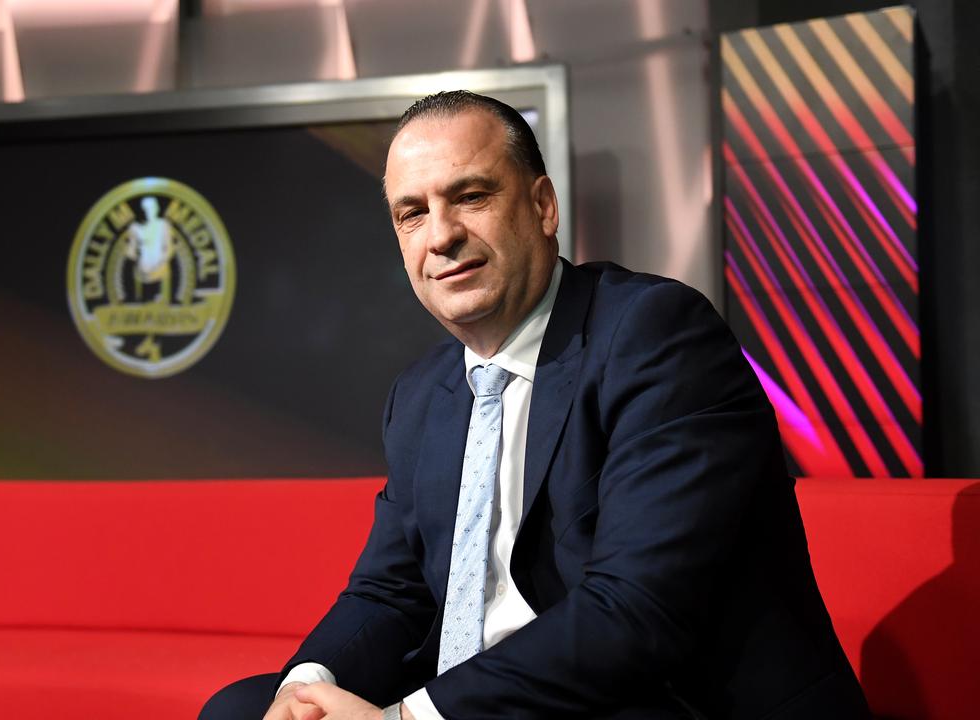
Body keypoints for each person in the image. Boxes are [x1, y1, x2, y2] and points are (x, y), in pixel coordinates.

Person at [201, 91, 870, 719]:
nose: (441, 236)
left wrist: (413, 715)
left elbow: (636, 612)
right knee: (242, 708)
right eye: (413, 213)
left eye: (470, 197)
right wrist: (307, 689)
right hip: (492, 701)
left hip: (662, 699)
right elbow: (388, 592)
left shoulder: (655, 336)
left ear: (543, 206)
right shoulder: (422, 394)